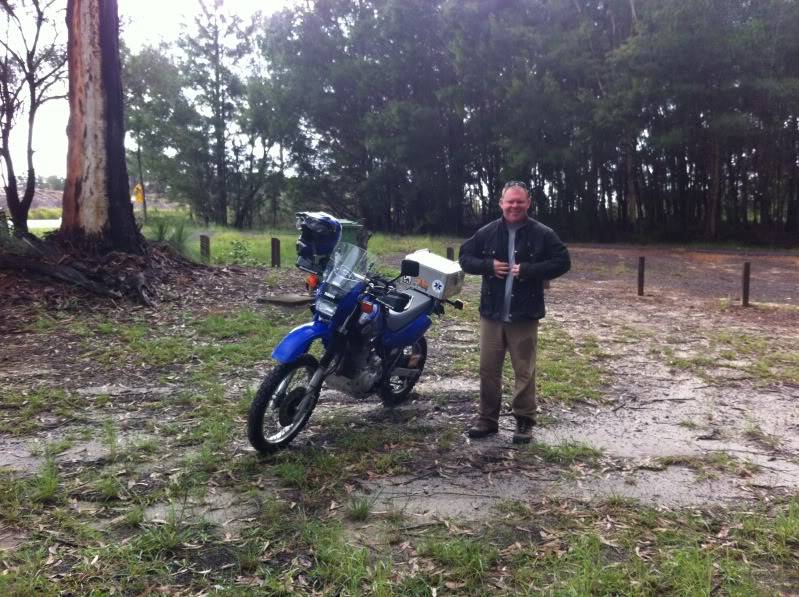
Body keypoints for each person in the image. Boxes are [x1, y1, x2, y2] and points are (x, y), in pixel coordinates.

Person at [458, 181, 571, 444]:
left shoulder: (543, 233)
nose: (514, 206)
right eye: (510, 201)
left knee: (524, 370)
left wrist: (531, 270)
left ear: (528, 203)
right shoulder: (487, 232)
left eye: (520, 201)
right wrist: (487, 266)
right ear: (501, 203)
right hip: (492, 314)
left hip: (525, 314)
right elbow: (464, 257)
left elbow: (563, 261)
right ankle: (487, 419)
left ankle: (524, 421)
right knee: (488, 369)